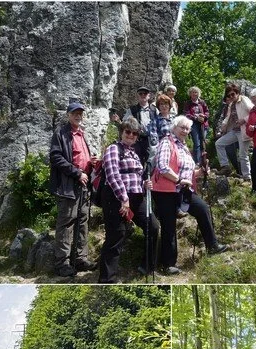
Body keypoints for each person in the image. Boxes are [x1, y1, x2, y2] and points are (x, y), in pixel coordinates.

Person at [151, 116, 228, 274]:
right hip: (165, 191)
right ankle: (168, 264)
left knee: (202, 208)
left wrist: (200, 172)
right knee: (169, 225)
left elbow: (188, 171)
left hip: (183, 190)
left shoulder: (184, 146)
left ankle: (212, 246)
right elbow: (162, 166)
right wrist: (179, 180)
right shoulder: (167, 142)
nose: (185, 131)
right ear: (174, 127)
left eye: (187, 128)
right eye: (182, 127)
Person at [97, 116, 158, 283]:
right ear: (121, 132)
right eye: (127, 132)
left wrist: (145, 184)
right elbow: (112, 175)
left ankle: (147, 265)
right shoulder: (113, 149)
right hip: (116, 198)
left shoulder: (135, 153)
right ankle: (107, 279)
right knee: (116, 235)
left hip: (137, 197)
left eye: (134, 133)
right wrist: (124, 199)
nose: (131, 135)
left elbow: (136, 176)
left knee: (152, 226)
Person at [49, 100, 96, 277]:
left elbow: (80, 158)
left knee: (82, 221)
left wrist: (90, 163)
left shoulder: (81, 134)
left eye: (80, 113)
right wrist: (77, 173)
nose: (78, 115)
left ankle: (80, 259)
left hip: (83, 185)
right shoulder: (61, 133)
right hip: (68, 185)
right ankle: (62, 263)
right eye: (75, 113)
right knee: (66, 222)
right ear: (68, 115)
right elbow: (56, 157)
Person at [214, 83, 253, 181]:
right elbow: (227, 119)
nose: (231, 96)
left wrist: (244, 119)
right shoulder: (231, 104)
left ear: (237, 93)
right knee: (219, 143)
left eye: (233, 94)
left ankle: (247, 178)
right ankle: (225, 167)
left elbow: (253, 112)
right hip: (234, 131)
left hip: (244, 131)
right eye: (229, 95)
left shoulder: (243, 99)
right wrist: (222, 130)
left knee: (242, 155)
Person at [111, 86, 157, 164]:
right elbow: (125, 124)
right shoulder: (132, 109)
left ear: (149, 96)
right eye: (140, 93)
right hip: (136, 139)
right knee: (137, 160)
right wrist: (118, 121)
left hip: (151, 140)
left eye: (145, 93)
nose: (143, 95)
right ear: (137, 96)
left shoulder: (154, 110)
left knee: (151, 163)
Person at [184, 86, 210, 164]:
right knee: (197, 143)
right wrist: (196, 118)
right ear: (190, 94)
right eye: (193, 92)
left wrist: (204, 116)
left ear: (198, 93)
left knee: (203, 142)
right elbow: (186, 114)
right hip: (193, 124)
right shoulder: (187, 103)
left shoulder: (202, 102)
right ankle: (197, 162)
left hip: (203, 124)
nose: (194, 94)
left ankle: (204, 161)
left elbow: (207, 112)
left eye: (196, 92)